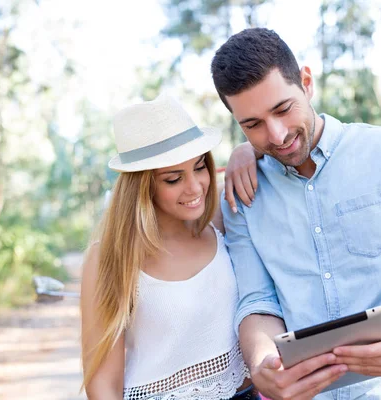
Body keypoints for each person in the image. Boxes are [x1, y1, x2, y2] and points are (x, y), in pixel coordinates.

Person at [211, 27, 381, 399]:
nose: (276, 135)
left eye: (283, 109)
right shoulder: (243, 195)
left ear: (306, 83)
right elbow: (257, 301)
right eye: (252, 125)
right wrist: (261, 363)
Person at [79, 94, 261, 399]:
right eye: (173, 179)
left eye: (200, 167)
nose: (194, 187)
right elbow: (102, 382)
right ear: (143, 186)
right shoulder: (110, 256)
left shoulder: (218, 218)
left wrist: (246, 150)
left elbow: (277, 152)